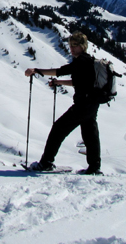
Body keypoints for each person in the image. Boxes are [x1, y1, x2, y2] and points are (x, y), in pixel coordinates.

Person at [24, 31, 109, 174]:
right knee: (90, 134)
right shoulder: (87, 61)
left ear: (83, 46)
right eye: (70, 45)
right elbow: (78, 82)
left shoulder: (81, 61)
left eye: (75, 45)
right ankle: (94, 167)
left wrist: (37, 70)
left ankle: (46, 163)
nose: (72, 48)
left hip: (83, 104)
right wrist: (59, 82)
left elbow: (62, 70)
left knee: (58, 129)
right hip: (92, 103)